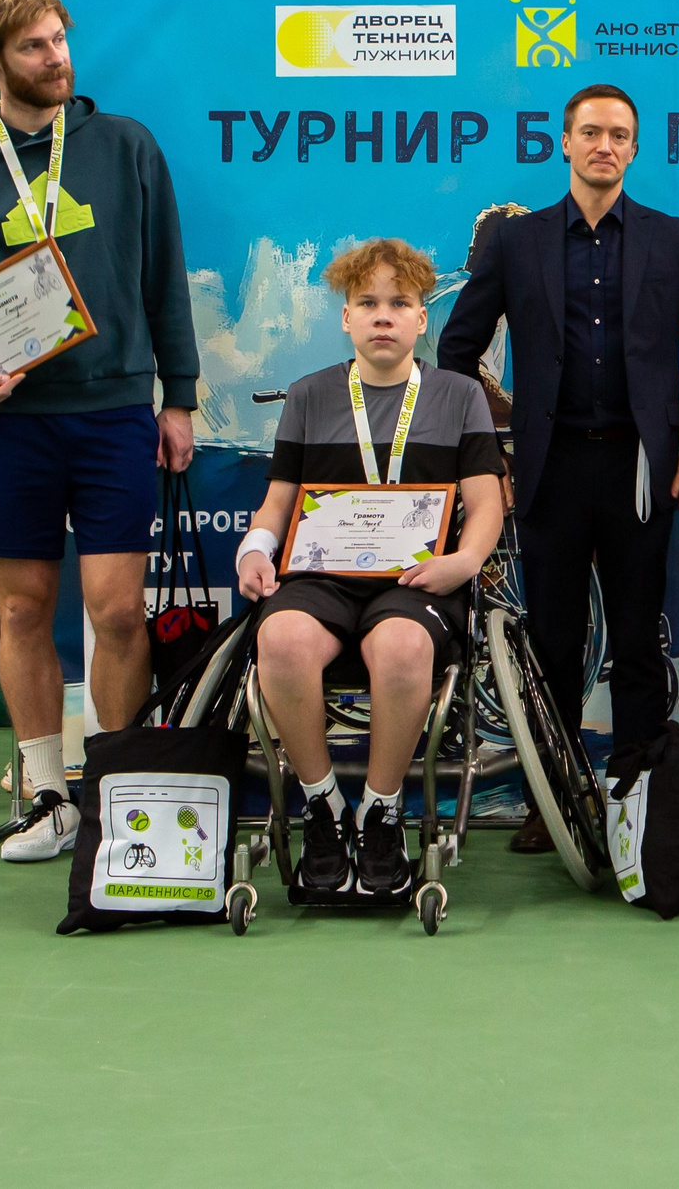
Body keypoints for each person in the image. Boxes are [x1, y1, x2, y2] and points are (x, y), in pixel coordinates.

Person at [0, 0, 199, 863]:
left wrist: (176, 396)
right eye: (34, 47)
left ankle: (115, 789)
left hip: (112, 415)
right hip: (15, 423)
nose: (57, 58)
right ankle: (46, 798)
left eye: (60, 40)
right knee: (23, 609)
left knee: (118, 613)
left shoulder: (126, 147)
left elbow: (164, 276)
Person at [437, 83, 679, 852]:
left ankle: (639, 797)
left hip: (640, 473)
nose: (604, 145)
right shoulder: (517, 244)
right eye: (590, 132)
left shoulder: (672, 239)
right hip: (548, 471)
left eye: (619, 134)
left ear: (634, 149)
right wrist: (490, 460)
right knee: (552, 642)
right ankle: (556, 801)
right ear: (566, 142)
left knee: (640, 641)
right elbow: (455, 354)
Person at [232, 241, 505, 905]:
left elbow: (488, 501)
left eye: (400, 304)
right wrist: (254, 550)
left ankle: (382, 813)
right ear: (346, 319)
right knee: (282, 641)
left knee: (403, 645)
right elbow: (278, 500)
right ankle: (323, 808)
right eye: (368, 304)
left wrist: (465, 562)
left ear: (420, 321)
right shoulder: (309, 396)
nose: (384, 317)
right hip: (321, 577)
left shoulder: (459, 396)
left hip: (415, 582)